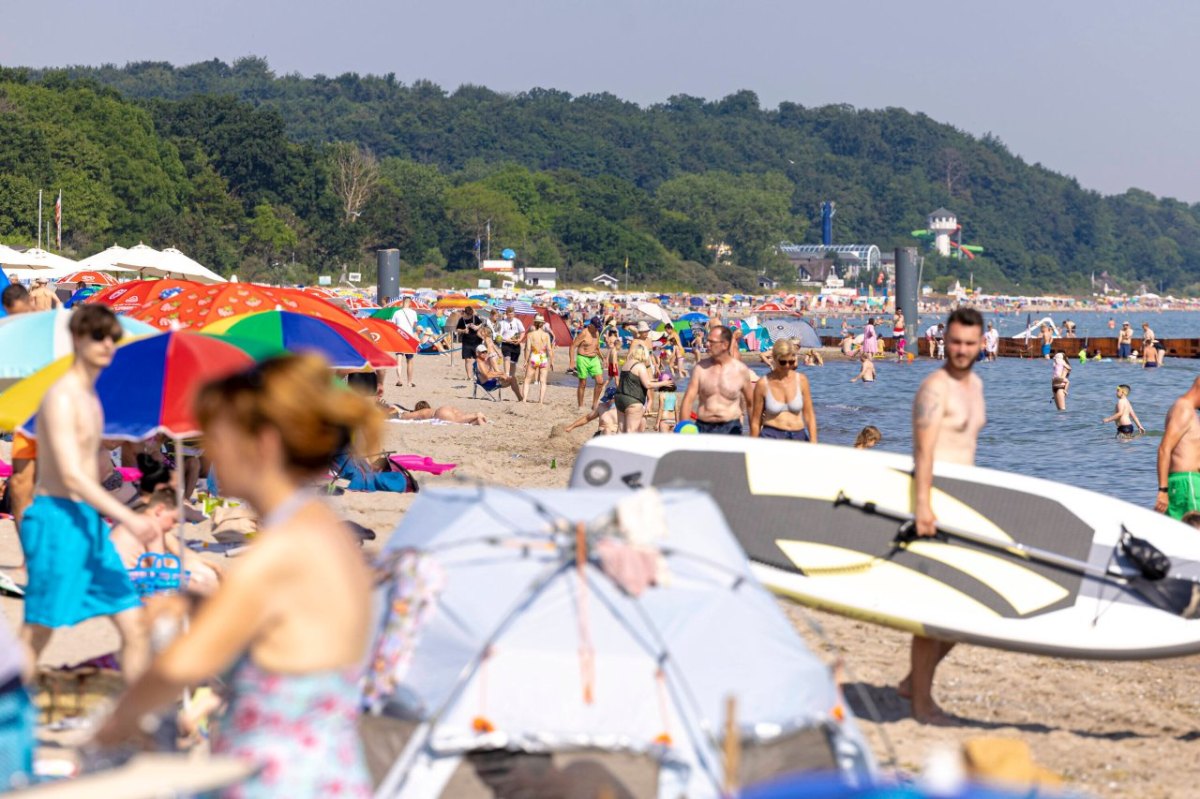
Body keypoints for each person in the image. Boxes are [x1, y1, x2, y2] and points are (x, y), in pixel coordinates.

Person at [96, 354, 379, 797]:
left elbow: (182, 663)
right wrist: (200, 604)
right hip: (323, 769)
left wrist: (109, 729)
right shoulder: (319, 525)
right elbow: (289, 635)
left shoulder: (283, 547)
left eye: (217, 434)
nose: (209, 448)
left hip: (278, 778)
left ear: (261, 443)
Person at [19, 305, 151, 680]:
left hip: (88, 524)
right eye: (98, 336)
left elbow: (98, 467)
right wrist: (129, 516)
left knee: (135, 625)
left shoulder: (91, 397)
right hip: (57, 521)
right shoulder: (61, 396)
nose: (107, 344)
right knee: (38, 633)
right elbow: (72, 475)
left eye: (112, 336)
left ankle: (130, 727)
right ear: (77, 339)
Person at [901, 307, 987, 724]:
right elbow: (924, 451)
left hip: (966, 505)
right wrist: (922, 505)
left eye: (970, 343)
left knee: (969, 614)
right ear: (945, 340)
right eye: (955, 342)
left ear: (981, 343)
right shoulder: (935, 388)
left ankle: (910, 683)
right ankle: (920, 703)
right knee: (935, 610)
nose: (962, 350)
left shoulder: (976, 386)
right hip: (935, 504)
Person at [110, 487, 222, 596]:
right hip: (126, 584)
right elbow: (159, 567)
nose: (174, 525)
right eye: (174, 520)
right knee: (200, 576)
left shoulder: (135, 519)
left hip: (111, 579)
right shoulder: (151, 526)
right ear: (159, 510)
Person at [680, 325, 756, 435]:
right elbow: (688, 400)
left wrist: (754, 434)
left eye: (712, 342)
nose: (707, 344)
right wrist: (684, 428)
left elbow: (751, 403)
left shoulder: (740, 370)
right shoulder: (700, 368)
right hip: (704, 426)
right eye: (707, 341)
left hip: (731, 428)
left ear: (725, 345)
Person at [4, 286, 35, 533]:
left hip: (52, 414)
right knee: (21, 483)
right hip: (25, 421)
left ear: (31, 301)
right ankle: (29, 554)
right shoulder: (7, 332)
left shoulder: (52, 328)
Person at [750, 340, 816, 441]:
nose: (787, 366)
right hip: (771, 435)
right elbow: (755, 421)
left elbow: (809, 415)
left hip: (798, 435)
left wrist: (813, 440)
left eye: (791, 362)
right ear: (775, 359)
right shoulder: (763, 384)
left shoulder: (801, 380)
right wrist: (753, 447)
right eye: (783, 362)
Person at [1155, 377, 1200, 521]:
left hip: (1186, 484)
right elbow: (1164, 448)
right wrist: (1162, 490)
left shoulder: (1187, 411)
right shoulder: (1184, 409)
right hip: (1187, 484)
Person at [613, 347, 672, 434]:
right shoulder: (640, 366)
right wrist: (663, 383)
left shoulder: (627, 364)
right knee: (631, 430)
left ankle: (615, 447)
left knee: (621, 429)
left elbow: (633, 379)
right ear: (644, 355)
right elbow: (647, 384)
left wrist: (656, 381)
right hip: (633, 401)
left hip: (619, 398)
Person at [570, 317, 606, 409]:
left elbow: (596, 348)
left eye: (599, 327)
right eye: (596, 327)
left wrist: (603, 358)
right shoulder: (584, 333)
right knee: (583, 383)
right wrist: (572, 362)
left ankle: (594, 404)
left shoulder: (597, 332)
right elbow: (572, 346)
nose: (598, 328)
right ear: (591, 325)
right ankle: (581, 405)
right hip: (582, 358)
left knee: (600, 382)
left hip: (594, 359)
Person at [521, 317, 554, 404]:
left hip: (534, 356)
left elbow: (528, 349)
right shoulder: (546, 335)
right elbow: (549, 349)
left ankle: (524, 400)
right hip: (543, 357)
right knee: (543, 381)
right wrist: (552, 361)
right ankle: (541, 401)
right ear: (542, 324)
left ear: (534, 323)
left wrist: (525, 360)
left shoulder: (530, 335)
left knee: (527, 380)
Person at [390, 297, 420, 388]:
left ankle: (399, 379)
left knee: (399, 359)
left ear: (402, 302)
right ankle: (409, 382)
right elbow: (415, 325)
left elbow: (393, 325)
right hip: (409, 338)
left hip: (399, 337)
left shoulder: (397, 313)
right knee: (409, 360)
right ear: (410, 303)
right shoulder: (413, 313)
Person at [455, 306, 486, 380]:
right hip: (466, 342)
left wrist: (477, 327)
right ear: (465, 313)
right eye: (468, 315)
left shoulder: (475, 317)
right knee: (467, 359)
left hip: (477, 341)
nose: (470, 316)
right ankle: (469, 376)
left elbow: (481, 324)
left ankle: (477, 374)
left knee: (477, 359)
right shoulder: (462, 320)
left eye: (471, 315)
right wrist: (463, 331)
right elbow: (457, 329)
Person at [400, 400, 488, 425]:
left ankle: (477, 414)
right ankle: (478, 420)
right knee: (464, 420)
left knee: (458, 420)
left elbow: (405, 416)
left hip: (441, 413)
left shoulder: (422, 411)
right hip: (448, 408)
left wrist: (404, 413)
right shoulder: (430, 409)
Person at [497, 307, 526, 378]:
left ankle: (512, 376)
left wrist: (520, 340)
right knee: (507, 358)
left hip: (516, 344)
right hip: (506, 344)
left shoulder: (517, 321)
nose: (510, 316)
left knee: (513, 362)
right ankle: (506, 374)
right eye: (509, 314)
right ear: (506, 314)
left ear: (514, 314)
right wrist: (506, 339)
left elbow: (522, 331)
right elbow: (498, 335)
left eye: (512, 314)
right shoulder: (502, 323)